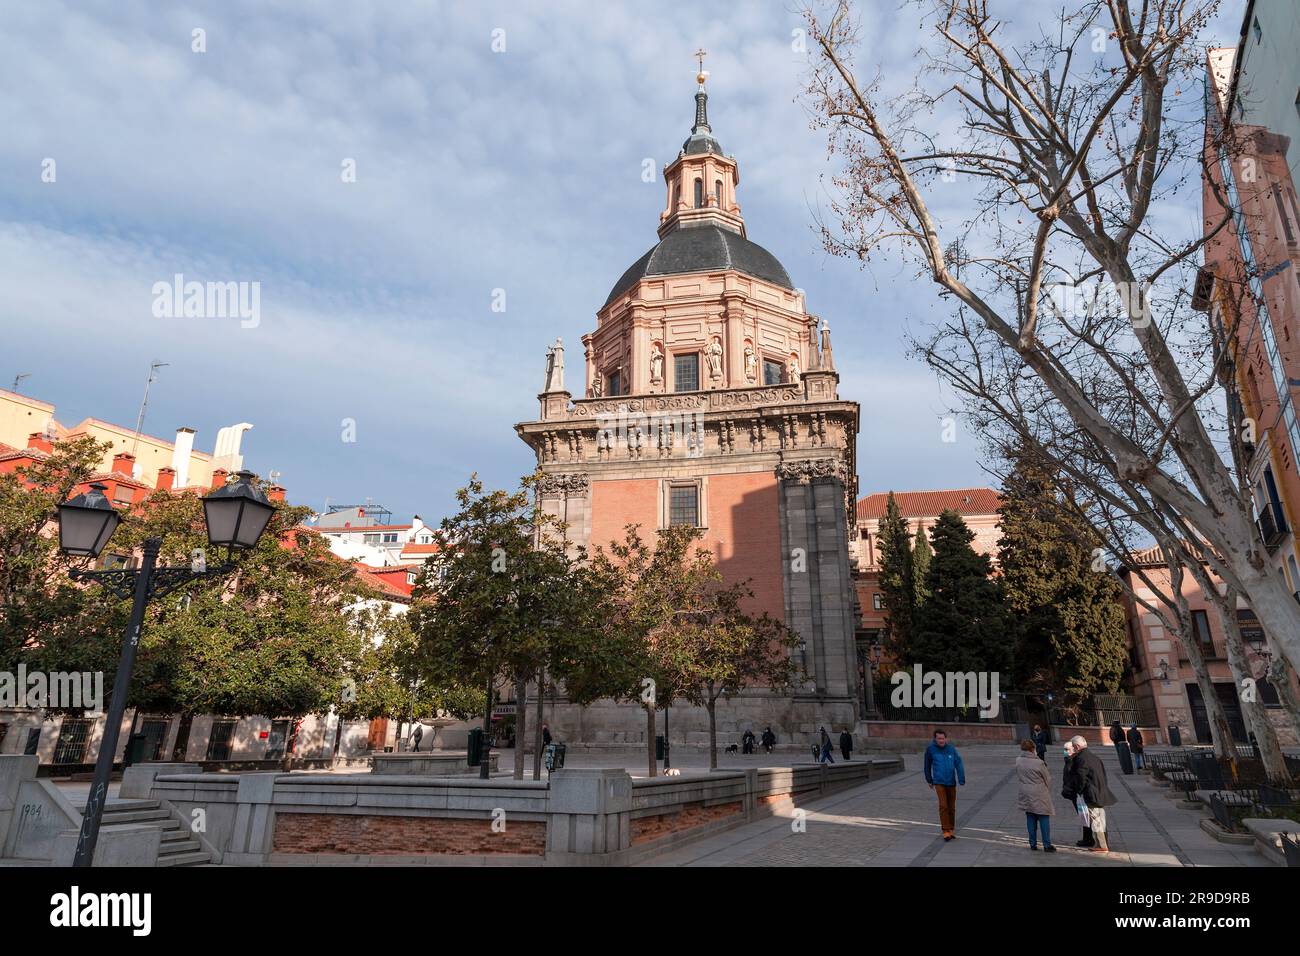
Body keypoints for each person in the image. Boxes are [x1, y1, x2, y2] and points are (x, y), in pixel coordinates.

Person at [1071, 735, 1117, 853]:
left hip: (1091, 793)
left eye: (1073, 747)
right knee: (1101, 819)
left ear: (1077, 746)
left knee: (1096, 819)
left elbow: (1081, 778)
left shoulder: (1081, 758)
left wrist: (1079, 791)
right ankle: (1103, 843)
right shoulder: (1094, 757)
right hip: (1100, 791)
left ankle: (1102, 845)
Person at [923, 729, 965, 841]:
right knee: (943, 806)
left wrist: (961, 778)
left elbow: (958, 763)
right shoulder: (931, 750)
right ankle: (945, 830)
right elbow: (927, 765)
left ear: (946, 739)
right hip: (939, 781)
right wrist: (929, 779)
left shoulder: (951, 749)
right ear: (935, 739)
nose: (941, 740)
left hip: (951, 781)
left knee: (951, 807)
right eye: (939, 738)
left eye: (943, 738)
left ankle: (951, 829)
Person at [1016, 739, 1056, 851]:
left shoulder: (1018, 760)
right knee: (1043, 817)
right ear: (1033, 748)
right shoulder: (1039, 762)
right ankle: (1046, 844)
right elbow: (1047, 778)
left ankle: (1032, 843)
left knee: (1030, 816)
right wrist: (1047, 789)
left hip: (1025, 791)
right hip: (1039, 792)